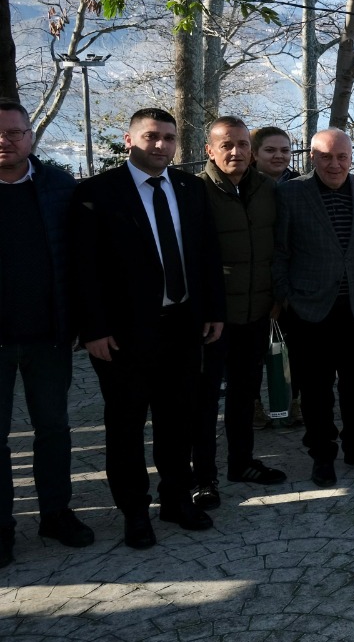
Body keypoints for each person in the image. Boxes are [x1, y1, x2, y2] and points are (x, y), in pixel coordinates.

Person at [71, 108, 224, 548]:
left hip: (183, 325)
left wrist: (212, 310)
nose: (160, 145)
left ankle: (176, 499)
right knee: (126, 425)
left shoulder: (190, 189)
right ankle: (134, 511)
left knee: (178, 420)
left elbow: (206, 255)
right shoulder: (97, 192)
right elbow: (85, 268)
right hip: (123, 334)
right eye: (151, 137)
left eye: (169, 138)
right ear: (129, 140)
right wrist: (94, 330)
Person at [273, 128, 354, 487]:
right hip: (310, 311)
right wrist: (286, 297)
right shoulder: (291, 193)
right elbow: (279, 252)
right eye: (325, 156)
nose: (335, 163)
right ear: (311, 157)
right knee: (316, 390)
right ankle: (322, 454)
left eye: (342, 156)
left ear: (351, 155)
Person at [0, 100, 94, 561]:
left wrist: (78, 320)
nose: (6, 140)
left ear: (30, 137)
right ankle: (1, 528)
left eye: (15, 132)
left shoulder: (59, 186)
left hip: (47, 337)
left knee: (54, 429)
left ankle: (56, 514)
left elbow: (79, 260)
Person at [194, 116, 287, 506]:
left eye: (243, 145)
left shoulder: (268, 189)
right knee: (202, 399)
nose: (236, 152)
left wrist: (276, 297)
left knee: (245, 393)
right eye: (227, 145)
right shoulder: (194, 192)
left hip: (256, 311)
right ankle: (202, 477)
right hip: (212, 318)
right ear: (210, 150)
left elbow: (277, 248)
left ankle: (242, 462)